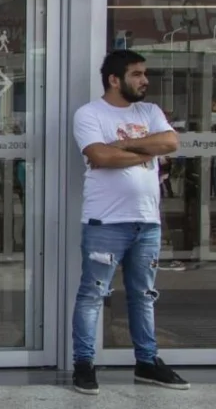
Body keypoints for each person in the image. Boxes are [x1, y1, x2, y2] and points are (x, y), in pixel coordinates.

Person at [71, 49, 188, 395]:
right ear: (114, 79)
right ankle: (83, 365)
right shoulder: (90, 113)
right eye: (136, 74)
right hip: (105, 221)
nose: (144, 80)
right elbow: (99, 155)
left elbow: (170, 141)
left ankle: (147, 363)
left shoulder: (149, 112)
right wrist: (147, 151)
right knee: (93, 294)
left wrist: (127, 145)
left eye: (144, 73)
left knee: (144, 295)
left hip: (147, 221)